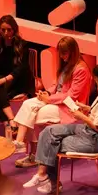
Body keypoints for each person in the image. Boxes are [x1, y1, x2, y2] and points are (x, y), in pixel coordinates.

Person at [23, 63, 98, 194]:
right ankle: (42, 175)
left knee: (51, 143)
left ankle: (50, 181)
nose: (94, 81)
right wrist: (86, 108)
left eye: (96, 78)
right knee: (48, 131)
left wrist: (80, 116)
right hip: (87, 131)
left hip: (93, 140)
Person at [11, 36, 92, 168]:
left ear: (73, 51)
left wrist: (49, 99)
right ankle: (20, 142)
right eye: (60, 52)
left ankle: (34, 155)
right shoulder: (67, 65)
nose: (61, 56)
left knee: (34, 115)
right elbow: (57, 84)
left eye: (64, 53)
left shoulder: (81, 69)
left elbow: (72, 96)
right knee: (27, 104)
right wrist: (47, 93)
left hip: (68, 108)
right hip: (56, 101)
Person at [0, 15, 33, 137]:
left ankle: (9, 122)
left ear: (14, 29)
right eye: (3, 30)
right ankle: (10, 122)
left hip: (19, 80)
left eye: (9, 30)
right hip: (1, 78)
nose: (6, 33)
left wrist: (1, 81)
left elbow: (20, 70)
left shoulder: (23, 45)